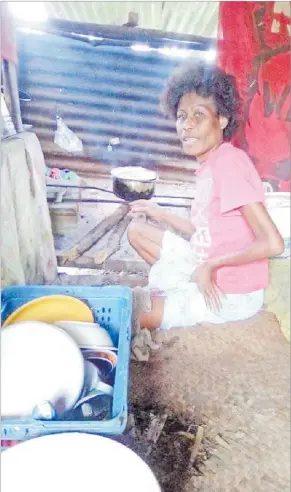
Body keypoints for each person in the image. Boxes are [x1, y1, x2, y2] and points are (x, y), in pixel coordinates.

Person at [127, 63, 284, 331]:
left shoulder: (229, 165)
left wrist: (211, 266)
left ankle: (185, 292)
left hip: (234, 292)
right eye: (181, 116)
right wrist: (160, 213)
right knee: (138, 230)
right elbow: (204, 231)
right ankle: (184, 283)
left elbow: (272, 243)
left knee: (136, 312)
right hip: (207, 260)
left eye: (198, 115)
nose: (187, 125)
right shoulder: (211, 164)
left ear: (221, 119)